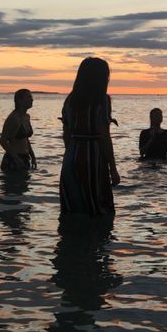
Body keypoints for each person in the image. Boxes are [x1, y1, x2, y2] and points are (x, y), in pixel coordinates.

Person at [60, 57, 120, 215]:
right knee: (98, 207)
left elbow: (66, 135)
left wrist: (72, 153)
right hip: (92, 156)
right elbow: (104, 136)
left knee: (72, 207)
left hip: (71, 156)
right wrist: (113, 168)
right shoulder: (102, 101)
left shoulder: (70, 101)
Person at [0, 89, 37, 171]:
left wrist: (33, 157)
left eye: (31, 97)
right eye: (28, 97)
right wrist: (16, 158)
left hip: (25, 158)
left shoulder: (26, 117)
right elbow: (2, 141)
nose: (32, 99)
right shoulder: (13, 118)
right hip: (13, 159)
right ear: (20, 101)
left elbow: (26, 139)